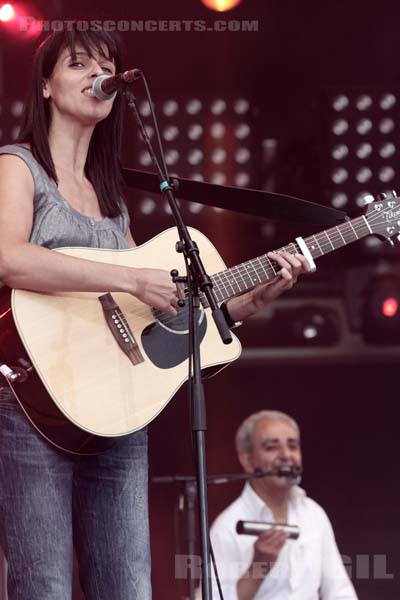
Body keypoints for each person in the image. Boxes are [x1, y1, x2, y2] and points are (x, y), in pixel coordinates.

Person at [0, 25, 311, 600]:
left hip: (115, 413)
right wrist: (132, 277)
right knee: (41, 586)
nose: (99, 74)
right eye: (78, 64)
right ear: (44, 86)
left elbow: (156, 311)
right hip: (31, 408)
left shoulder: (111, 193)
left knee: (130, 588)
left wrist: (255, 295)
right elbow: (9, 259)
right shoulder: (18, 166)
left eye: (106, 64)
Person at [210, 410, 358, 600]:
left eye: (293, 445)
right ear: (247, 460)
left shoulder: (313, 513)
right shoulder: (227, 527)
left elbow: (339, 590)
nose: (286, 455)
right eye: (272, 447)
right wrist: (258, 568)